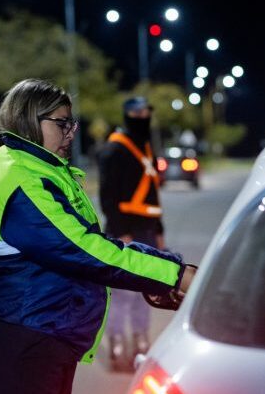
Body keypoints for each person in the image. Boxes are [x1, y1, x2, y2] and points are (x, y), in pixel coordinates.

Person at [0, 79, 195, 394]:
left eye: (71, 124)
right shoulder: (23, 179)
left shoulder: (42, 168)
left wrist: (153, 276)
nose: (70, 133)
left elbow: (88, 244)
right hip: (24, 342)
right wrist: (175, 274)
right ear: (29, 119)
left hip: (40, 333)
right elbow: (84, 250)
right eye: (61, 124)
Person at [97, 96, 165, 370]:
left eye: (147, 111)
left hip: (148, 229)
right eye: (138, 112)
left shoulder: (146, 146)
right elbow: (107, 196)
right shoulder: (115, 148)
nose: (143, 116)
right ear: (127, 115)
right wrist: (120, 230)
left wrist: (159, 230)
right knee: (122, 292)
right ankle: (116, 342)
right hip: (122, 231)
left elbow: (153, 195)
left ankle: (140, 339)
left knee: (147, 289)